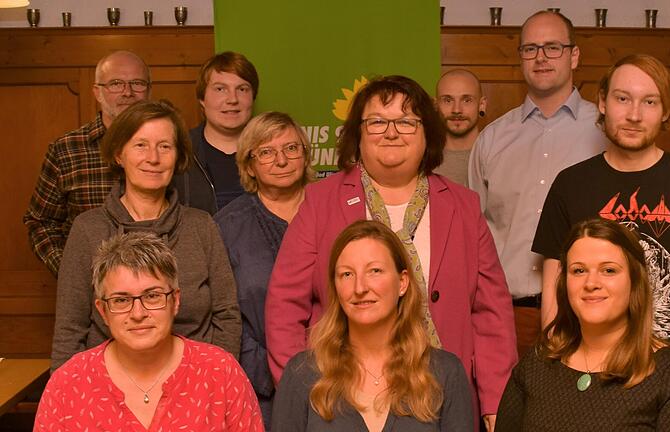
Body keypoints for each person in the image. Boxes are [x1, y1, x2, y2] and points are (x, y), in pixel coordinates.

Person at [266, 75, 516, 431]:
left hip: (436, 397)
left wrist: (495, 402)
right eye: (378, 122)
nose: (392, 132)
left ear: (427, 132)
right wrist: (306, 388)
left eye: (406, 122)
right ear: (358, 133)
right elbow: (283, 305)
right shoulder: (321, 202)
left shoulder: (463, 206)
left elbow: (491, 313)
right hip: (342, 394)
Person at [532, 54, 670, 367]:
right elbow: (553, 286)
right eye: (623, 98)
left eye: (650, 102)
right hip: (584, 367)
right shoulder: (570, 184)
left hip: (665, 369)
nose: (634, 115)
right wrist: (557, 365)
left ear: (666, 110)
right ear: (602, 102)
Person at [51, 100, 241, 370]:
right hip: (108, 385)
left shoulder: (201, 226)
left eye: (165, 146)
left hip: (195, 377)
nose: (153, 157)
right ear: (119, 154)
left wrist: (215, 376)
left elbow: (227, 315)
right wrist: (68, 396)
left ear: (177, 157)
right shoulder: (87, 229)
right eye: (141, 145)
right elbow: (70, 329)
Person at [468, 11, 606, 357]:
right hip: (508, 315)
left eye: (553, 47)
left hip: (587, 313)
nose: (541, 57)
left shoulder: (605, 133)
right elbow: (474, 233)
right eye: (530, 49)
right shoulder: (492, 140)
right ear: (520, 59)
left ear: (574, 56)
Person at [496, 218, 670, 431]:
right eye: (579, 271)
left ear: (634, 282)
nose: (591, 283)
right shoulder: (537, 363)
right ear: (565, 284)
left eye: (609, 270)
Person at [35, 231, 264, 431]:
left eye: (152, 296)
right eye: (121, 300)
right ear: (103, 310)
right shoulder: (68, 383)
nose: (138, 313)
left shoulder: (220, 372)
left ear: (175, 301)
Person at [272, 220, 473, 431]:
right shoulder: (302, 373)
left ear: (402, 282)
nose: (360, 287)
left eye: (375, 271)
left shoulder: (445, 373)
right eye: (347, 274)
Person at [215, 111, 315, 429]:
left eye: (291, 148)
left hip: (341, 379)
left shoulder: (332, 209)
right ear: (249, 164)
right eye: (267, 152)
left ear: (305, 154)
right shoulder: (227, 226)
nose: (281, 160)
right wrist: (268, 372)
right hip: (261, 388)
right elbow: (222, 312)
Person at [24, 50, 151, 276]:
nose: (127, 92)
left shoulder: (169, 148)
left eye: (137, 83)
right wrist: (71, 271)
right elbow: (40, 222)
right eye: (115, 84)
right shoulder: (66, 150)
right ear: (97, 92)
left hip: (159, 290)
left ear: (149, 90)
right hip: (89, 294)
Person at [174, 51, 259, 214]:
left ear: (253, 97)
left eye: (242, 89)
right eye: (220, 89)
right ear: (202, 99)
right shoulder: (179, 152)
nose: (232, 99)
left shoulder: (272, 152)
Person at [433, 68, 487, 187]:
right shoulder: (422, 159)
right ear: (436, 106)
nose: (456, 110)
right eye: (447, 100)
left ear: (482, 105)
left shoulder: (497, 157)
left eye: (467, 100)